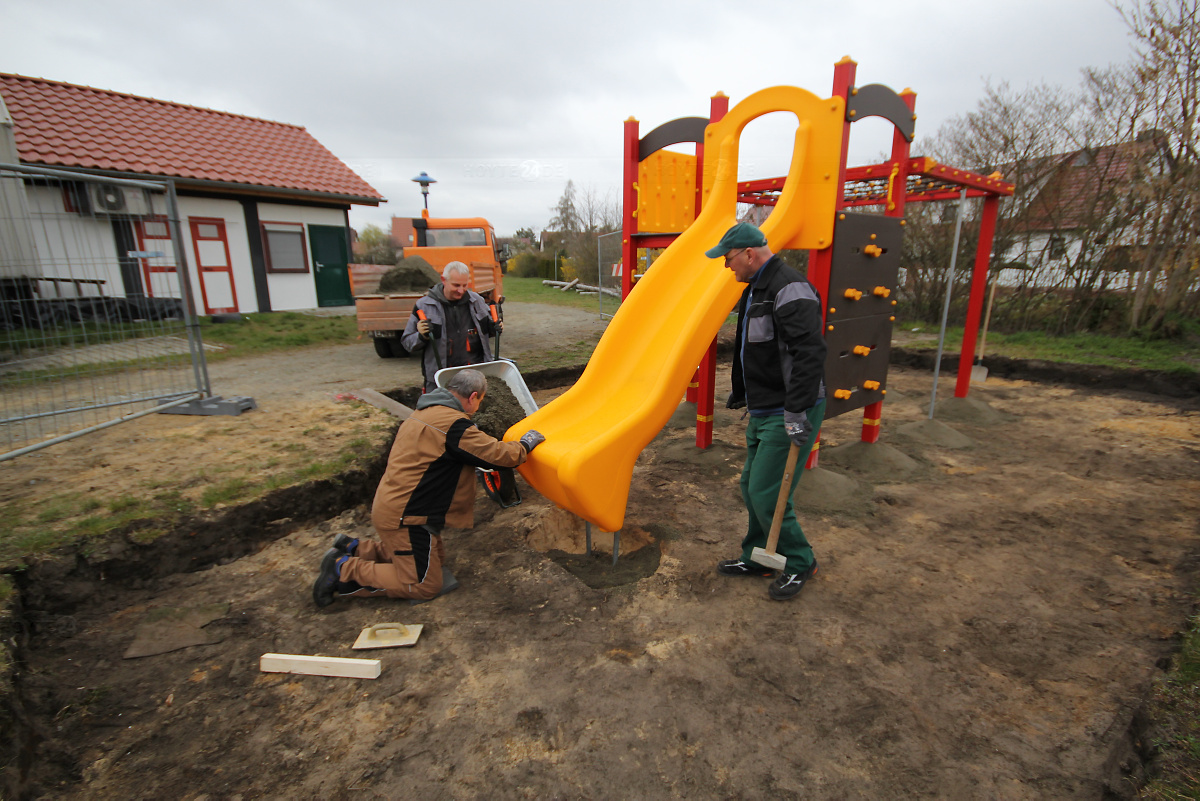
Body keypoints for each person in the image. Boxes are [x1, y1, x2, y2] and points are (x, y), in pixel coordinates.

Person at [312, 369, 544, 606]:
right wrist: (525, 445)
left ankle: (354, 548)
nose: (478, 406)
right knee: (425, 584)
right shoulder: (452, 425)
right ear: (473, 396)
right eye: (480, 400)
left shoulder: (424, 412)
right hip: (408, 515)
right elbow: (494, 455)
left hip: (395, 505)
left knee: (433, 559)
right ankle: (343, 569)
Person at [706, 222, 827, 601]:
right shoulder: (758, 288)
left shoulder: (788, 288)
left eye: (728, 260)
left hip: (787, 409)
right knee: (750, 486)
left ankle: (800, 560)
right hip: (764, 409)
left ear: (749, 255)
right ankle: (757, 556)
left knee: (766, 491)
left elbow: (810, 354)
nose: (727, 267)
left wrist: (796, 412)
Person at [401, 261, 503, 391]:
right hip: (441, 379)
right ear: (443, 280)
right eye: (456, 285)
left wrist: (495, 328)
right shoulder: (424, 306)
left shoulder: (477, 301)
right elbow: (407, 342)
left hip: (474, 378)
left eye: (464, 285)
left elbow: (488, 331)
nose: (461, 290)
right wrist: (421, 336)